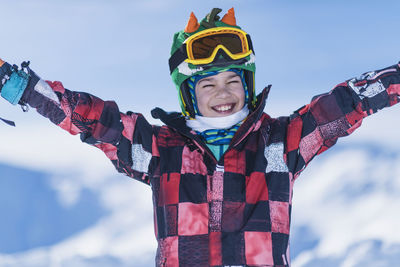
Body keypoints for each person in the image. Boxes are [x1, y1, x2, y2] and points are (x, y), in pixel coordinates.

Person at [0, 7, 400, 267]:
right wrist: (23, 88)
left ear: (249, 83)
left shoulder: (281, 144)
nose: (223, 94)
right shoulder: (160, 152)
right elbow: (93, 120)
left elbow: (345, 104)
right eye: (207, 85)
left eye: (233, 80)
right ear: (189, 95)